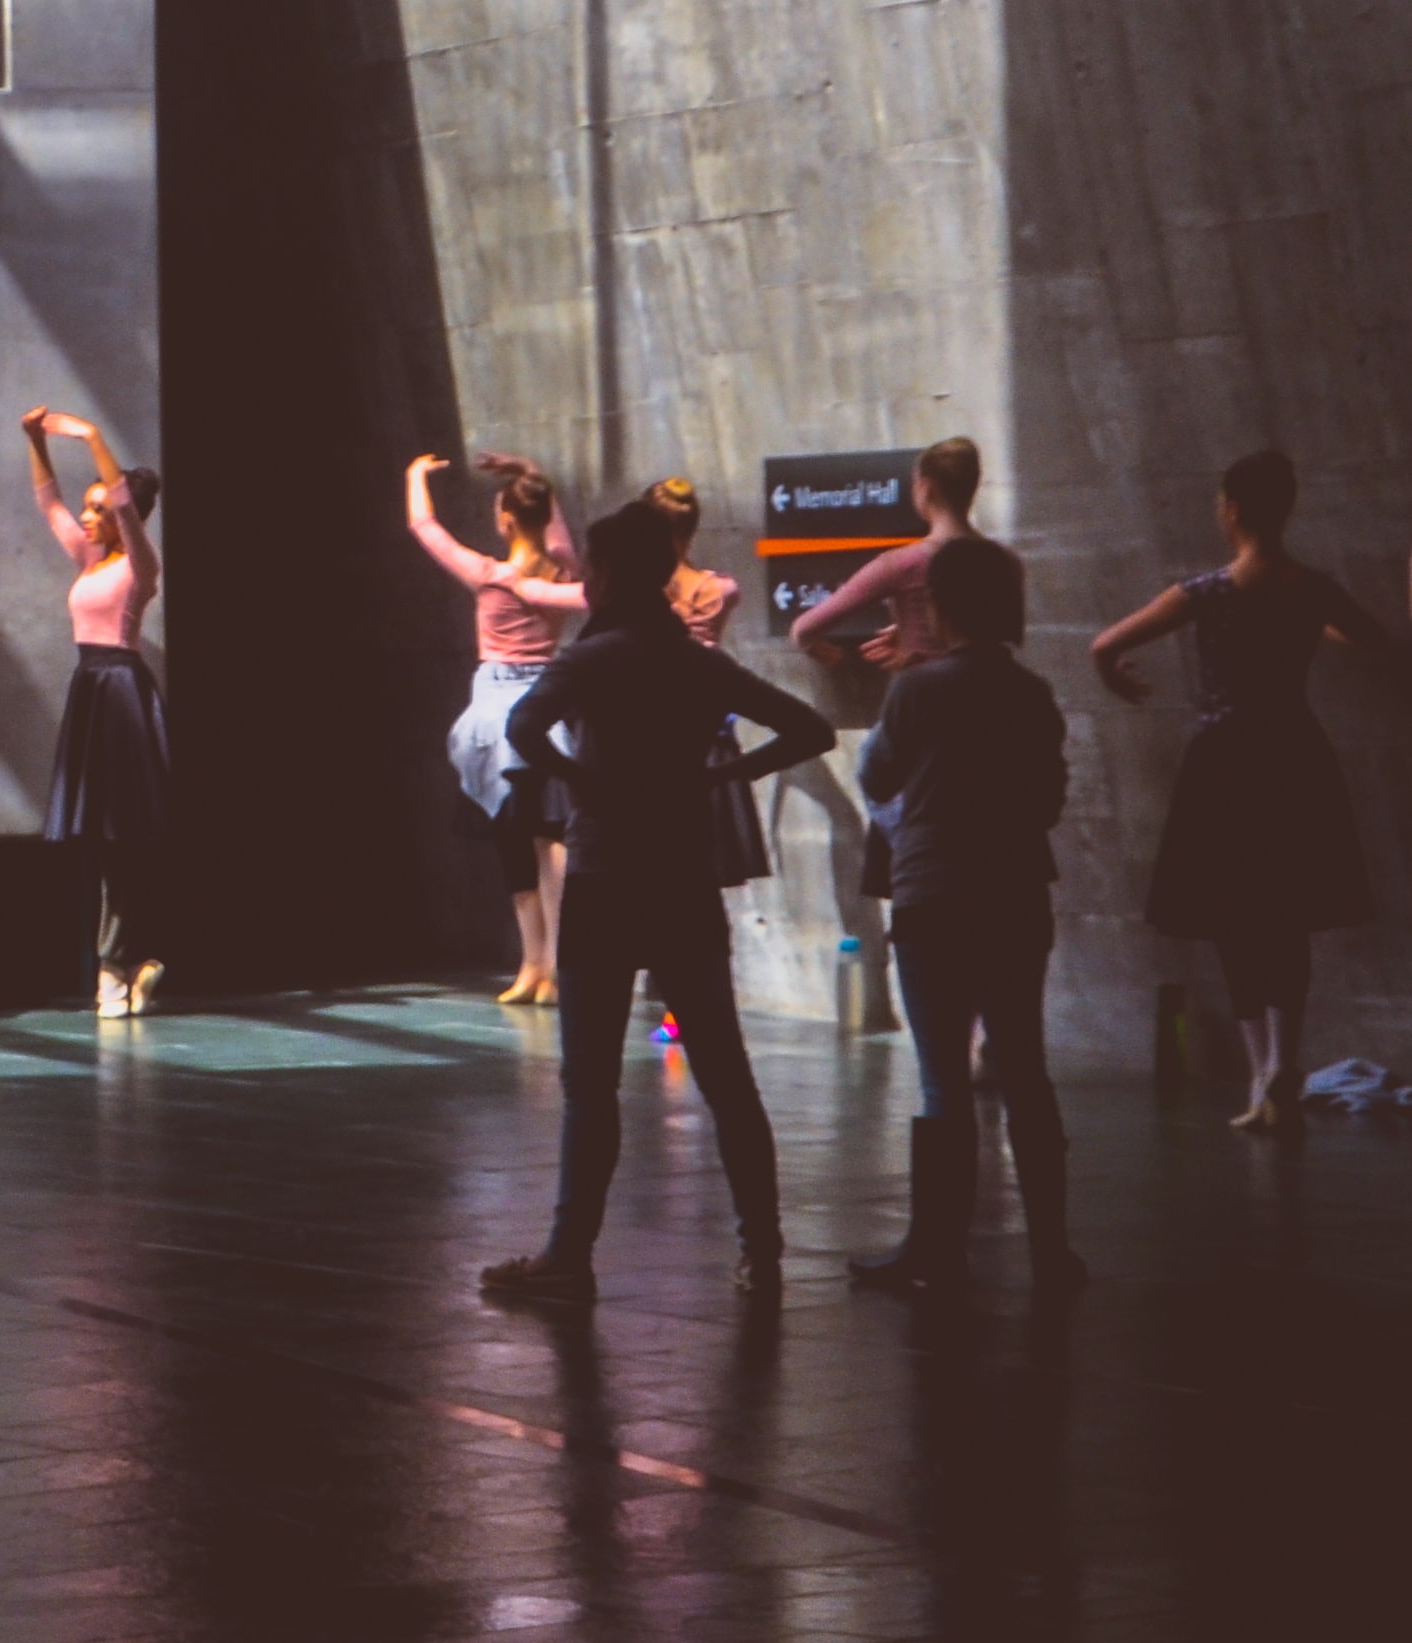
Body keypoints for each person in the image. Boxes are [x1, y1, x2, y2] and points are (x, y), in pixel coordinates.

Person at [478, 497, 837, 1304]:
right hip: (681, 876)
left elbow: (527, 730)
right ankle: (763, 1251)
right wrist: (722, 776)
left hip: (606, 876)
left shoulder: (589, 660)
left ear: (603, 575)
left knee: (590, 1081)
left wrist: (582, 784)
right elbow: (807, 729)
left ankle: (568, 1257)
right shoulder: (693, 662)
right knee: (726, 1075)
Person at [1091, 448, 1391, 1136]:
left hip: (1222, 760)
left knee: (1233, 916)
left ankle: (1260, 1074)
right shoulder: (1310, 586)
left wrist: (1117, 680)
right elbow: (1369, 638)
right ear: (1285, 510)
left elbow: (1103, 645)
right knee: (1287, 913)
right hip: (1293, 754)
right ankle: (1285, 1059)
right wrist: (1307, 627)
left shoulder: (1204, 591)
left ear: (1230, 512)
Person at [848, 535, 1080, 1293]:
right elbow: (1048, 800)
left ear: (938, 608)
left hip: (933, 894)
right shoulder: (1032, 694)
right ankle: (1051, 1250)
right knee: (1024, 1070)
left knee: (942, 1080)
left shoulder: (916, 691)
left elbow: (876, 771)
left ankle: (935, 1249)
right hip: (1014, 894)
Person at [407, 450, 587, 1006]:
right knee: (537, 835)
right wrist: (532, 472)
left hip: (503, 712)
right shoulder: (562, 569)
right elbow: (557, 538)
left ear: (507, 520)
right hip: (545, 705)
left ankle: (547, 960)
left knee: (529, 838)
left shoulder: (491, 576)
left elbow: (424, 525)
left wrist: (414, 476)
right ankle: (539, 963)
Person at [24, 409, 167, 1018]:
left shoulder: (139, 566)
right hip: (91, 689)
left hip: (121, 693)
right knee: (104, 840)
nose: (87, 516)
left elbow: (127, 507)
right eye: (89, 509)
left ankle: (117, 966)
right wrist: (36, 441)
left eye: (97, 507)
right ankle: (125, 962)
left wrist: (90, 438)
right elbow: (48, 500)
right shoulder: (90, 562)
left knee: (121, 837)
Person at [653, 477, 777, 891]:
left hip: (657, 738)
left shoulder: (629, 595)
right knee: (700, 873)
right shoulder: (717, 589)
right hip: (705, 734)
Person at [786, 433, 991, 674]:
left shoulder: (903, 563)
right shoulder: (1006, 562)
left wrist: (822, 651)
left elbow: (804, 630)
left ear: (925, 489)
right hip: (991, 703)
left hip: (923, 703)